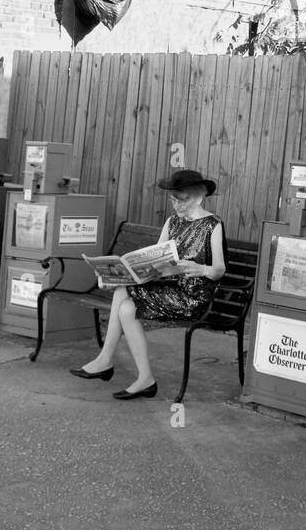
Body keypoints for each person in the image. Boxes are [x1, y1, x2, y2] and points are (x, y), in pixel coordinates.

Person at [69, 169, 226, 399]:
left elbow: (220, 270)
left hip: (193, 296)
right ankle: (144, 379)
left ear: (199, 197)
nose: (177, 206)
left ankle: (107, 360)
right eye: (173, 200)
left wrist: (201, 269)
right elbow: (156, 258)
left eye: (183, 200)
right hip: (167, 287)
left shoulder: (213, 225)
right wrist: (116, 275)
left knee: (125, 301)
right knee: (126, 306)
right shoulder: (172, 222)